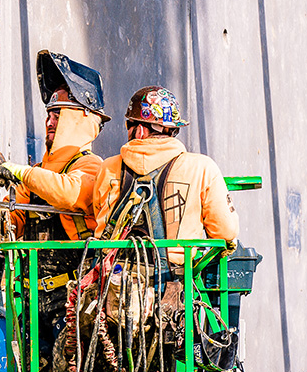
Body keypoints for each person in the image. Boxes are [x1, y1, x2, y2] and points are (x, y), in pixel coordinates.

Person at [0, 50, 110, 365]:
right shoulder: (39, 173)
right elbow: (9, 226)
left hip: (70, 304)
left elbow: (69, 194)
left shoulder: (91, 167)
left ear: (80, 118)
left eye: (58, 114)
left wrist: (21, 173)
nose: (49, 121)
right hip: (32, 304)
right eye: (49, 113)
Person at [92, 85, 238, 264]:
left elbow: (97, 217)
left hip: (111, 279)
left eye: (128, 125)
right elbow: (225, 232)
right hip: (174, 280)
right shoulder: (201, 168)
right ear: (171, 130)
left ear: (140, 130)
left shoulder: (108, 167)